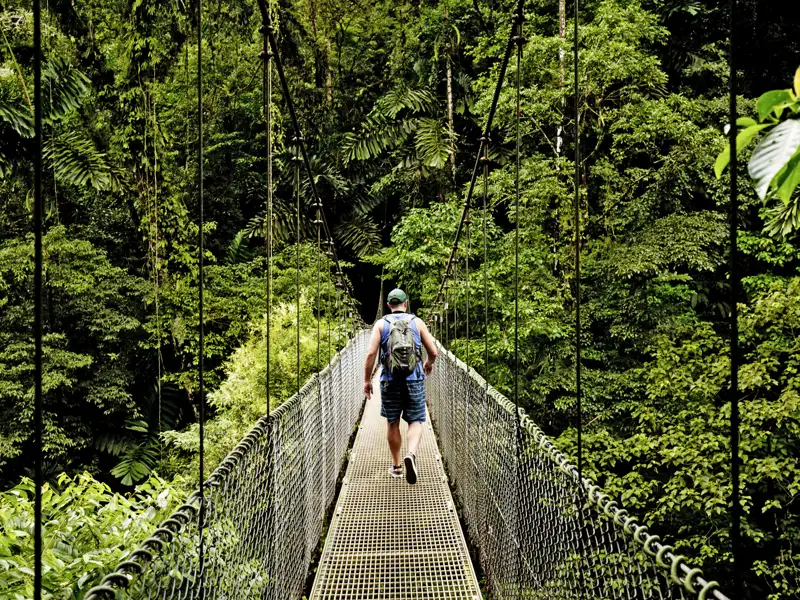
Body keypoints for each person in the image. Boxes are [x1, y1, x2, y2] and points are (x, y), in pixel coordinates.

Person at [363, 288, 437, 484]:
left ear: (388, 305)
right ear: (406, 303)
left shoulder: (381, 324)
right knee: (416, 421)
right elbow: (434, 352)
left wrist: (367, 380)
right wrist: (428, 363)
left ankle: (396, 467)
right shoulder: (417, 322)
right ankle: (411, 455)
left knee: (392, 422)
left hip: (389, 380)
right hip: (415, 380)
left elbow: (371, 353)